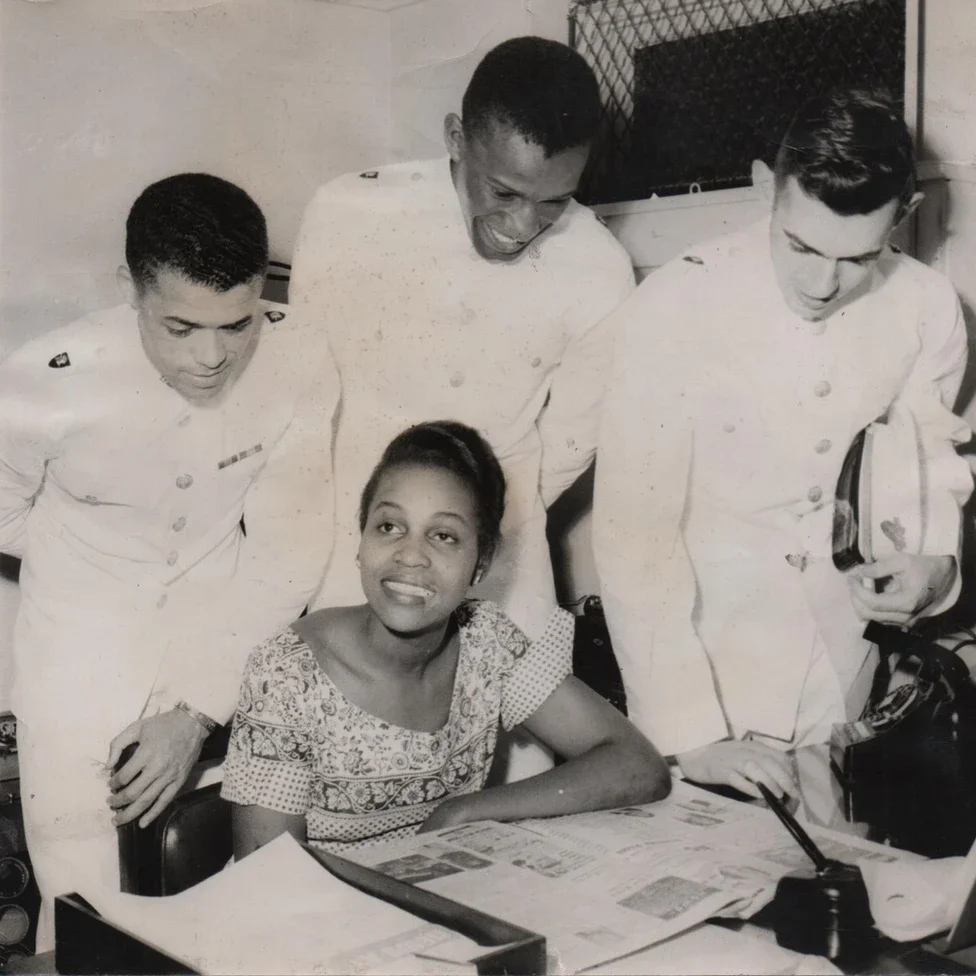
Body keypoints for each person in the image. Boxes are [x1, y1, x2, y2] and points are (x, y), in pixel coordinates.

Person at [593, 88, 974, 801]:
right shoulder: (675, 304)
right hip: (705, 674)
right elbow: (634, 534)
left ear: (906, 216)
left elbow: (927, 466)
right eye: (800, 244)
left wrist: (932, 567)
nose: (822, 282)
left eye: (859, 257)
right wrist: (690, 733)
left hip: (844, 671)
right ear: (766, 185)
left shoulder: (927, 309)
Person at [0, 174, 338, 946]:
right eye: (181, 327)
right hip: (75, 672)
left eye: (238, 324)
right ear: (130, 288)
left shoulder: (302, 358)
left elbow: (289, 550)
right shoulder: (43, 378)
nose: (214, 357)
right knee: (82, 925)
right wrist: (96, 565)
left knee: (223, 916)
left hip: (226, 652)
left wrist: (197, 708)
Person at [289, 36, 635, 647]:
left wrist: (490, 511)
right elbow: (306, 390)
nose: (522, 227)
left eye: (554, 201)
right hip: (356, 536)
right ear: (456, 138)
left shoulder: (601, 265)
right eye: (503, 192)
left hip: (504, 539)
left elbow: (576, 435)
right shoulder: (349, 213)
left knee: (522, 731)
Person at [222, 421, 669, 856]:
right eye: (389, 527)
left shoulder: (487, 642)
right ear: (359, 543)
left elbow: (638, 764)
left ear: (480, 564)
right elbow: (268, 880)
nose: (411, 555)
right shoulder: (286, 673)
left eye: (443, 536)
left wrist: (465, 812)